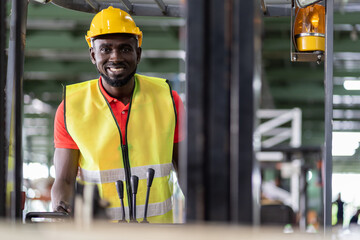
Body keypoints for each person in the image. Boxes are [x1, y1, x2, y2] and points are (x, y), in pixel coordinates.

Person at [50, 6, 185, 223]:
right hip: (97, 234)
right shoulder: (70, 108)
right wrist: (60, 211)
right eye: (105, 49)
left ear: (138, 54)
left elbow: (187, 170)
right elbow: (64, 180)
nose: (115, 57)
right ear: (93, 55)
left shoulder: (168, 100)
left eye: (125, 49)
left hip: (158, 233)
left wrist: (208, 216)